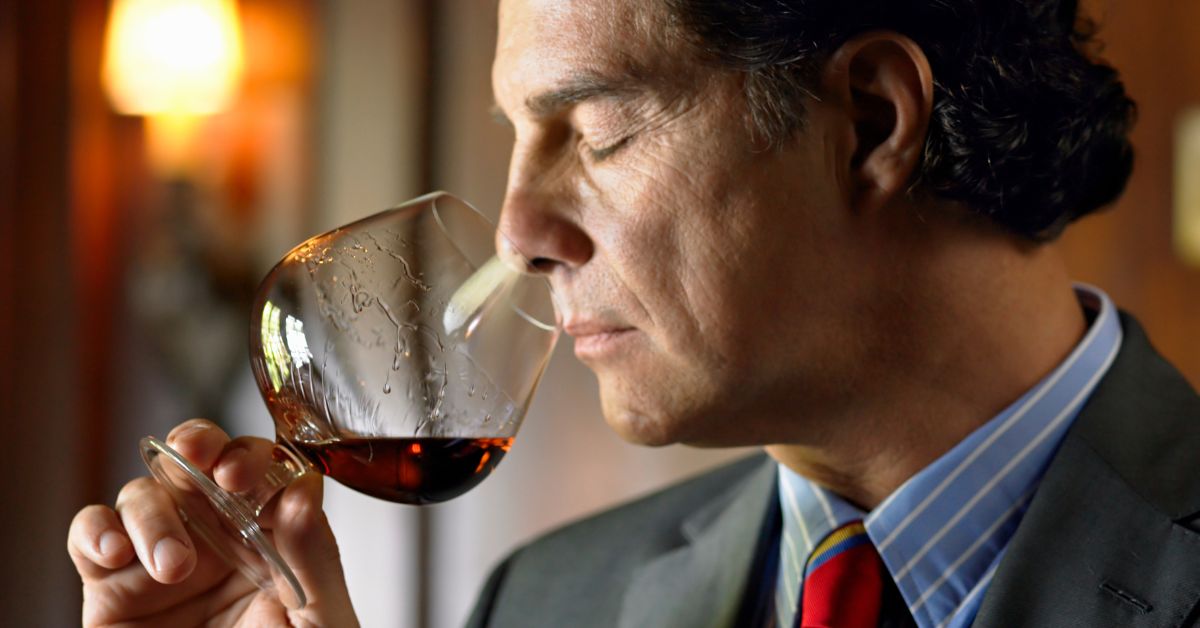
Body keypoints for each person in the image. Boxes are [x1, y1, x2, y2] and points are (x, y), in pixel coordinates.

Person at [68, 0, 1200, 626]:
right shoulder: (550, 601)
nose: (515, 231)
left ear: (868, 119)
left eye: (598, 131)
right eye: (517, 133)